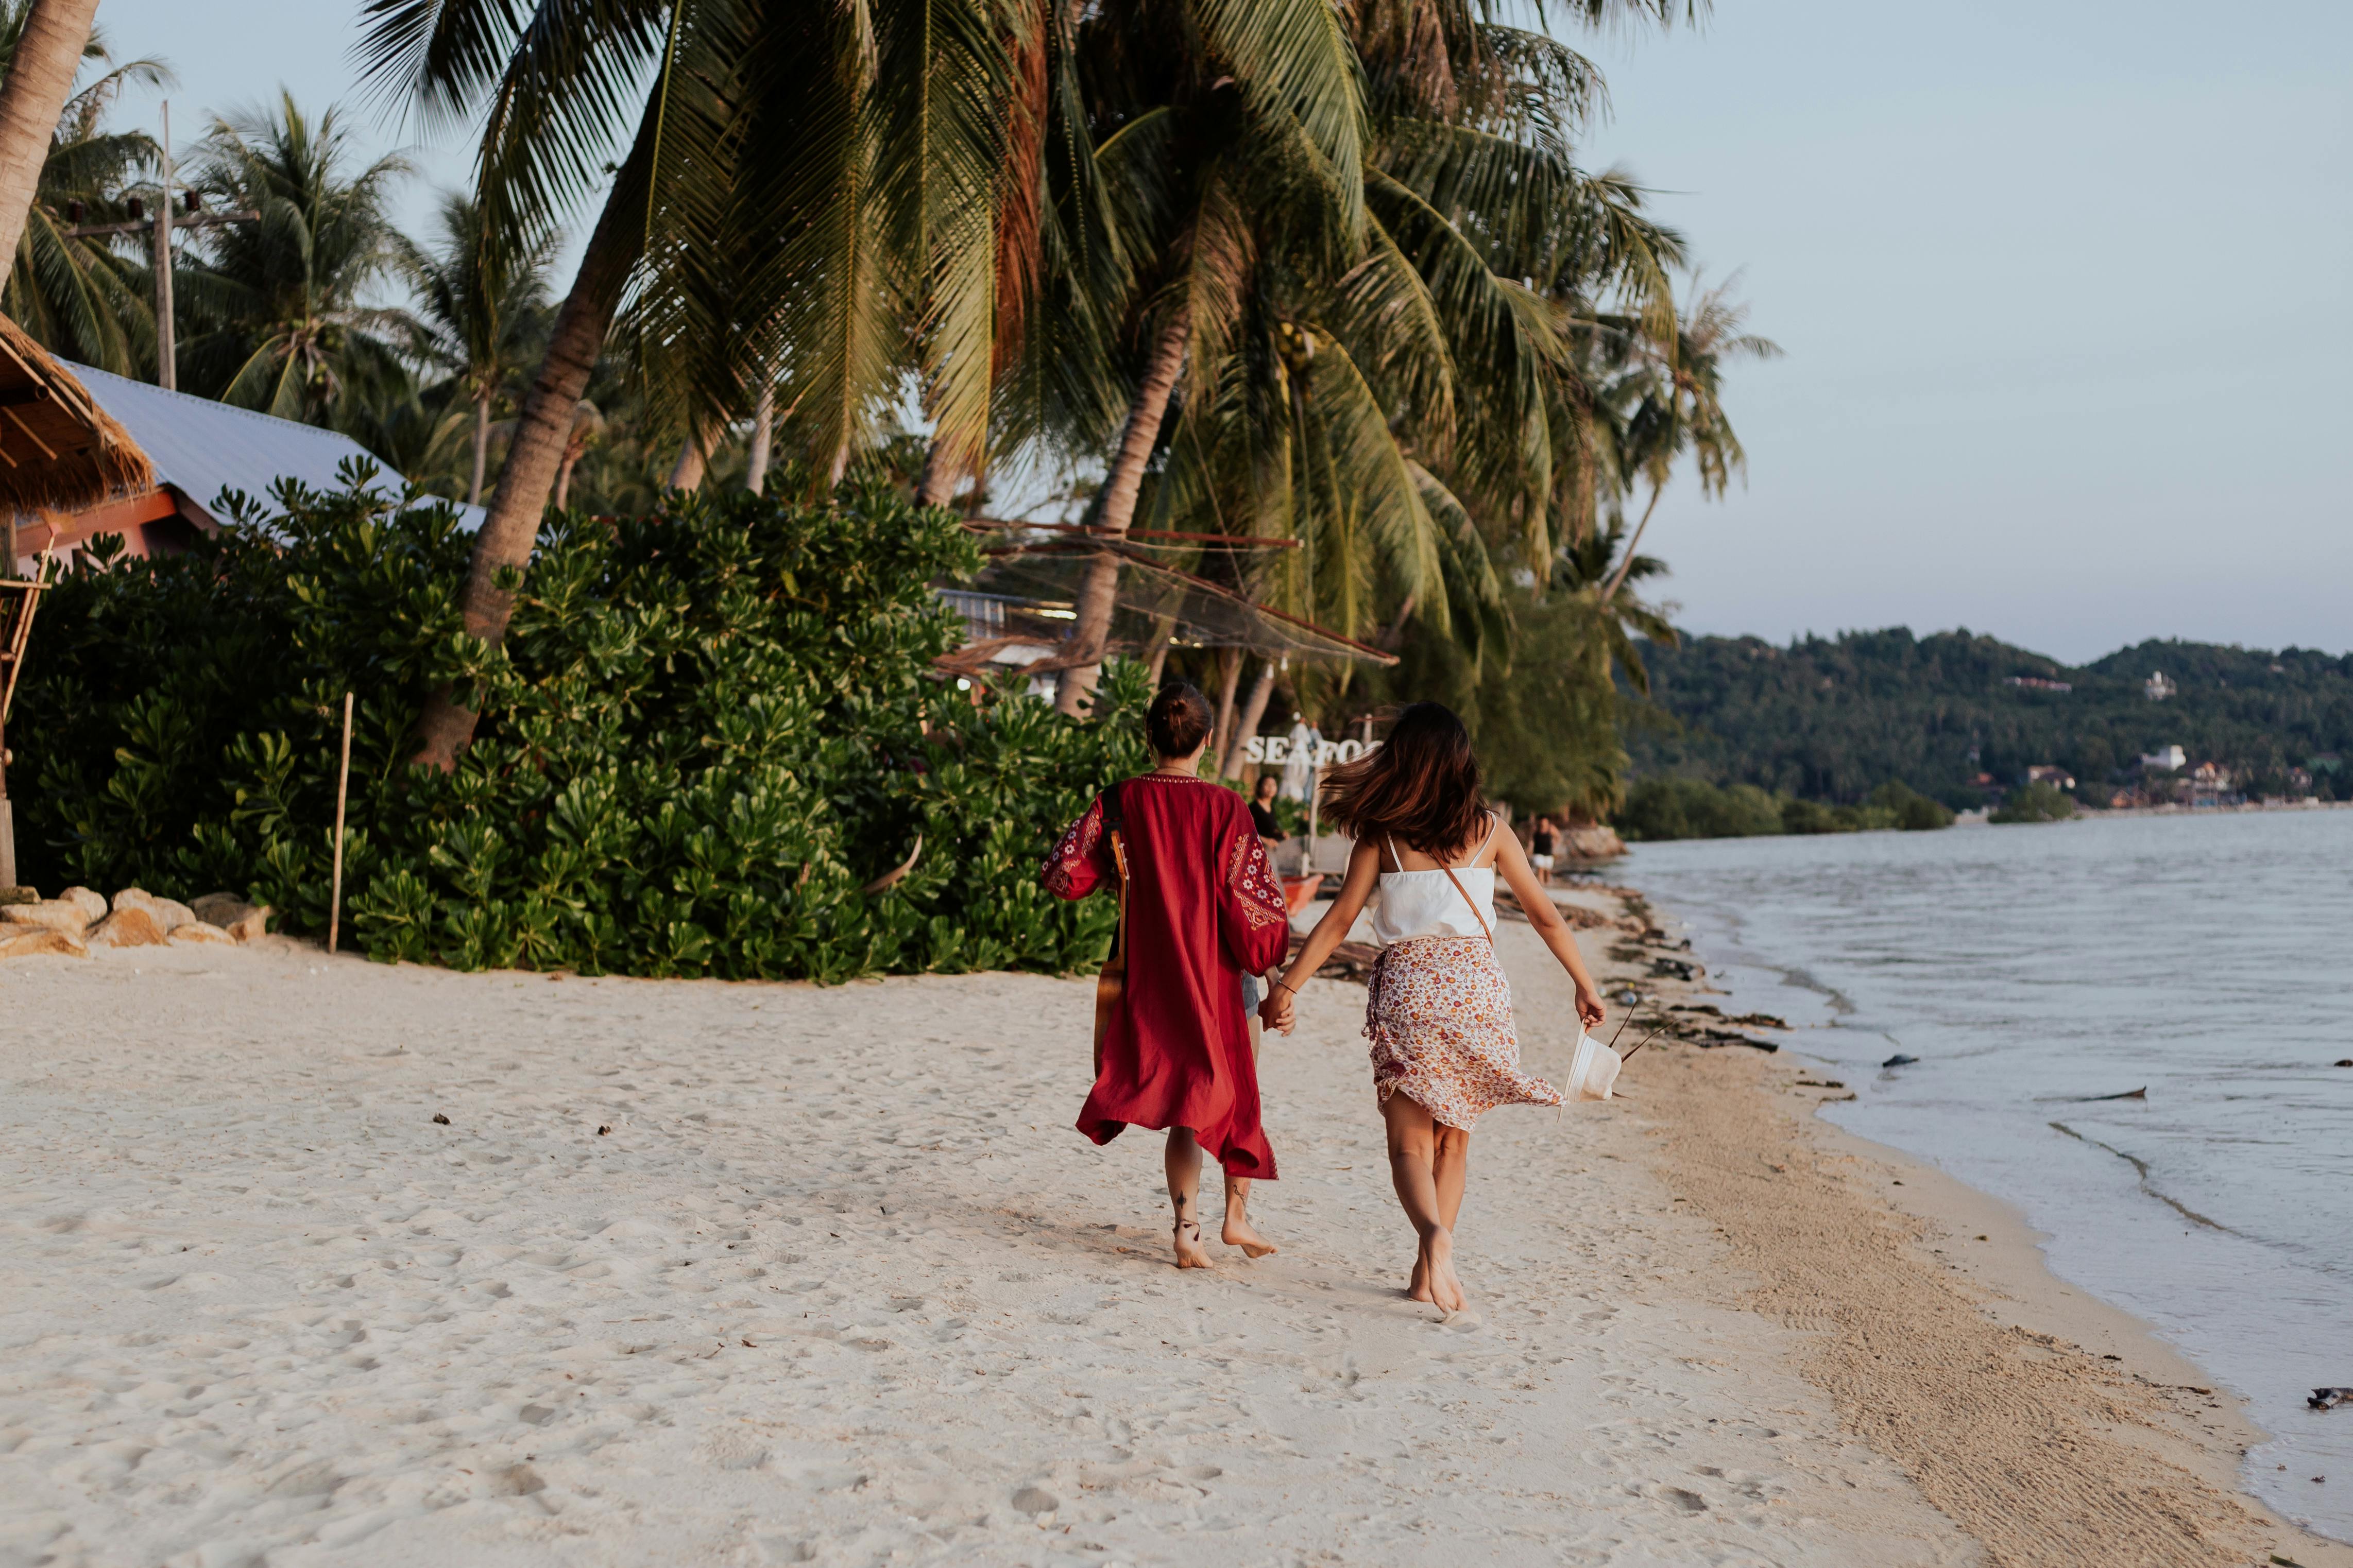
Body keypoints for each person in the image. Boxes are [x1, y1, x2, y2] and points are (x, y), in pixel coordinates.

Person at [1261, 702, 1607, 1313]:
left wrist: (1287, 987)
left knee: (1408, 1148)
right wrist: (1582, 983)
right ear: (1460, 763)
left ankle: (1431, 1239)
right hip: (1477, 990)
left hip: (1410, 991)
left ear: (1403, 759)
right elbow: (1544, 915)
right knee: (1453, 1145)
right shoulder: (1492, 831)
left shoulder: (1382, 836)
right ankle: (1427, 1274)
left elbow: (1340, 920)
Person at [1044, 682, 1294, 1269]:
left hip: (1149, 976)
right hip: (1218, 975)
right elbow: (1251, 909)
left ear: (1147, 737)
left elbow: (1062, 872)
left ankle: (1188, 1231)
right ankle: (1235, 1215)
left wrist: (1114, 873)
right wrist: (1270, 961)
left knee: (1187, 1104)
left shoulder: (1118, 800)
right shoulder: (1227, 808)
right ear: (1207, 740)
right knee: (1234, 1092)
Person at [1250, 773, 1284, 853]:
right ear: (1260, 788)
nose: (1271, 788)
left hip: (1272, 850)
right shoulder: (1253, 808)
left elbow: (1271, 829)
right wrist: (1265, 840)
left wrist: (1282, 833)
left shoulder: (1272, 807)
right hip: (1259, 851)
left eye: (1274, 785)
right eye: (1267, 785)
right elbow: (1248, 830)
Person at [1530, 816, 1557, 886]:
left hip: (1548, 853)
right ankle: (1541, 885)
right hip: (1538, 852)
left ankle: (1547, 884)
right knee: (1540, 868)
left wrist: (1554, 844)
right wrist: (1530, 848)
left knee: (1548, 871)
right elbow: (1532, 839)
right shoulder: (1536, 829)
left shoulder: (1551, 829)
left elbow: (1558, 836)